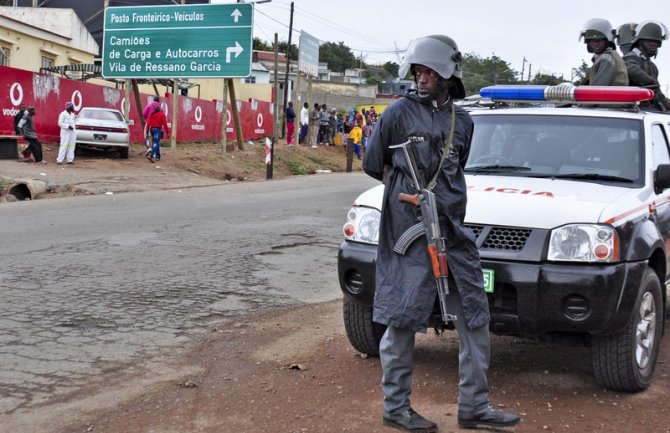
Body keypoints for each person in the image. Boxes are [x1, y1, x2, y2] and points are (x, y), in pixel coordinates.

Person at [362, 35, 520, 432]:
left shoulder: (462, 121)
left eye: (432, 72)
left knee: (474, 313)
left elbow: (457, 166)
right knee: (401, 316)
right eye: (419, 71)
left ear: (448, 76)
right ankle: (396, 408)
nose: (423, 78)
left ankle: (474, 405)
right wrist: (406, 195)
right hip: (408, 230)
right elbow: (372, 163)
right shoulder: (397, 113)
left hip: (452, 228)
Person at [623, 20, 670, 111]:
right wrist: (650, 81)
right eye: (649, 41)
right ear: (640, 42)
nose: (653, 44)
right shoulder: (630, 58)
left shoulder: (652, 67)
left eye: (656, 42)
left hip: (646, 109)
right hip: (631, 109)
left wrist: (667, 104)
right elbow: (631, 69)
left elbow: (658, 95)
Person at [579, 18, 628, 86]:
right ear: (588, 42)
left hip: (609, 96)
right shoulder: (610, 56)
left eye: (600, 40)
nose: (596, 44)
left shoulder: (606, 58)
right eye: (592, 40)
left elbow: (597, 89)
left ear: (607, 41)